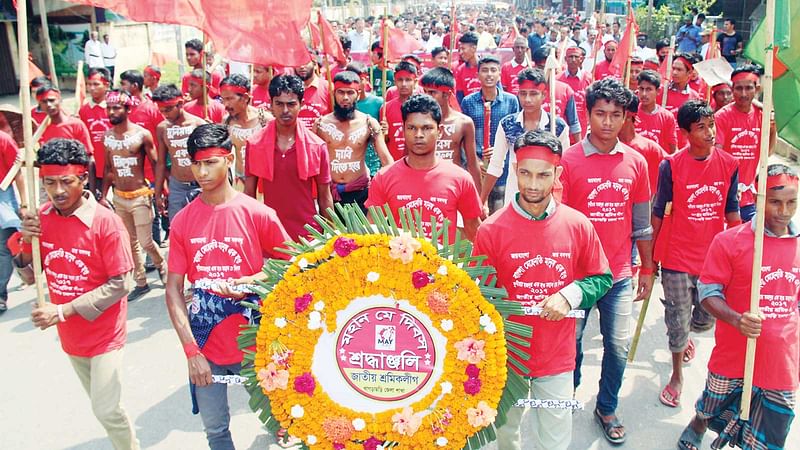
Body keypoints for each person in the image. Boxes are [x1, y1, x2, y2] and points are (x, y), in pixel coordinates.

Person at [475, 129, 612, 450]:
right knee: (504, 436)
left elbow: (602, 277)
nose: (533, 185)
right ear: (514, 170)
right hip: (506, 358)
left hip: (557, 359)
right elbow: (478, 292)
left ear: (557, 174)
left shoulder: (577, 225)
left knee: (554, 439)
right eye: (525, 173)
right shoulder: (491, 230)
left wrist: (570, 295)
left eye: (543, 175)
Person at [165, 124, 290, 450]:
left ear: (230, 159)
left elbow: (292, 266)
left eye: (211, 162)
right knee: (216, 431)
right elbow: (174, 290)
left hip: (256, 345)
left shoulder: (258, 214)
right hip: (206, 346)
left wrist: (253, 281)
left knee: (282, 422)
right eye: (196, 163)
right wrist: (192, 352)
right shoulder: (182, 221)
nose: (202, 172)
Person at [19, 138, 139, 449]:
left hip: (105, 334)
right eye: (49, 183)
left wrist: (61, 311)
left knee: (107, 409)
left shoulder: (106, 223)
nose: (57, 191)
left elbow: (121, 284)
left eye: (66, 181)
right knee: (102, 407)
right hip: (71, 336)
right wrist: (24, 239)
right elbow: (29, 274)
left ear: (83, 178)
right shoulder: (41, 218)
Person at [676, 164, 799, 450]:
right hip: (734, 354)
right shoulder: (730, 241)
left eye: (792, 202)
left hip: (782, 362)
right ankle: (699, 422)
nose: (784, 211)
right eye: (776, 202)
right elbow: (707, 292)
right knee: (714, 403)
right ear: (759, 199)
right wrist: (735, 318)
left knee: (769, 433)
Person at [561, 78, 655, 445]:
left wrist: (647, 268)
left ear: (625, 118)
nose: (607, 122)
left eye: (616, 115)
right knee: (572, 344)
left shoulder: (636, 162)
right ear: (588, 114)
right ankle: (566, 396)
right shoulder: (567, 160)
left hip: (618, 273)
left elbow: (642, 222)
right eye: (600, 113)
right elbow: (559, 222)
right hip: (578, 277)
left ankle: (607, 406)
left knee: (617, 346)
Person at [651, 100, 741, 409]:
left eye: (711, 124)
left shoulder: (729, 164)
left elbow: (732, 211)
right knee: (677, 318)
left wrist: (739, 253)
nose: (710, 132)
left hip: (714, 259)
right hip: (676, 256)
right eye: (701, 127)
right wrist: (650, 260)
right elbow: (658, 213)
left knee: (703, 321)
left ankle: (689, 332)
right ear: (685, 133)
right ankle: (676, 375)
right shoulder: (670, 166)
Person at [365, 94, 482, 240]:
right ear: (403, 130)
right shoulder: (384, 177)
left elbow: (474, 230)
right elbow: (371, 231)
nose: (418, 135)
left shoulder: (460, 178)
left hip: (445, 262)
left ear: (439, 131)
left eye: (426, 128)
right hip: (398, 261)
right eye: (412, 128)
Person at [245, 74, 333, 240]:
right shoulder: (255, 144)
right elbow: (249, 194)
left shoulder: (317, 146)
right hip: (269, 235)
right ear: (270, 105)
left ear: (302, 104)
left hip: (309, 238)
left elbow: (325, 197)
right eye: (279, 104)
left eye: (291, 104)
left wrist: (330, 239)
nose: (285, 110)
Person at [100, 90, 165, 301]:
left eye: (116, 107)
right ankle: (141, 282)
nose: (111, 111)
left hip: (140, 196)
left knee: (146, 242)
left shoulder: (142, 135)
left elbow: (156, 164)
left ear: (128, 109)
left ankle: (161, 265)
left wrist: (159, 192)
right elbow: (108, 168)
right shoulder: (107, 137)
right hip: (119, 196)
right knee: (130, 242)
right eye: (109, 108)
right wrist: (103, 196)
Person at [483, 68, 569, 206]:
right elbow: (495, 165)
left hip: (547, 200)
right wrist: (482, 200)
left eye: (533, 94)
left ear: (544, 95)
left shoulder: (557, 127)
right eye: (523, 94)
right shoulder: (507, 124)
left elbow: (563, 168)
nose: (527, 99)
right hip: (514, 198)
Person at [316, 71, 392, 213]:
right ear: (334, 93)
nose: (345, 97)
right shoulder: (321, 124)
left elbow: (386, 160)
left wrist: (383, 190)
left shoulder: (369, 123)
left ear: (358, 94)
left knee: (362, 235)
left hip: (361, 192)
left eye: (350, 93)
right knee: (333, 234)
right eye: (341, 92)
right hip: (329, 195)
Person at [715, 64, 776, 222]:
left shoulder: (762, 116)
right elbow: (718, 156)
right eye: (739, 88)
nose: (743, 94)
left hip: (748, 195)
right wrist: (731, 187)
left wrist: (772, 129)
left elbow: (767, 153)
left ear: (757, 89)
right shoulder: (722, 116)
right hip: (725, 193)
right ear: (732, 89)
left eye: (748, 88)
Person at [461, 55, 520, 214]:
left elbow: (515, 136)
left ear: (499, 74)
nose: (489, 74)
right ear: (477, 74)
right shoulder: (468, 102)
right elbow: (464, 138)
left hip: (503, 169)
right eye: (485, 70)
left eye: (493, 70)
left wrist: (499, 152)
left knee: (500, 213)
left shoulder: (511, 101)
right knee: (477, 212)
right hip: (478, 168)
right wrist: (475, 161)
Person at [419, 67, 482, 190]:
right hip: (425, 185)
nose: (427, 97)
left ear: (447, 94)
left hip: (453, 186)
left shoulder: (464, 123)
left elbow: (473, 164)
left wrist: (480, 201)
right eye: (425, 91)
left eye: (432, 93)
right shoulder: (419, 122)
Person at [152, 84, 206, 222]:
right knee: (177, 225)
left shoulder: (199, 125)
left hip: (201, 183)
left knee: (202, 224)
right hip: (177, 186)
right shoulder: (162, 128)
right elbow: (161, 163)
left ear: (180, 103)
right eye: (162, 111)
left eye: (169, 109)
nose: (166, 115)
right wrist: (158, 194)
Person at [37, 86, 96, 189]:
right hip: (50, 183)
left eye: (51, 100)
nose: (49, 105)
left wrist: (92, 188)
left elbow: (89, 158)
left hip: (73, 182)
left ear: (59, 100)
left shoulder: (76, 125)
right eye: (44, 102)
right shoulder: (40, 130)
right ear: (40, 105)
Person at [219, 74, 271, 186]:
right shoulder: (226, 122)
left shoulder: (265, 120)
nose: (225, 105)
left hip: (263, 181)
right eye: (223, 99)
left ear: (246, 98)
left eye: (229, 99)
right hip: (240, 181)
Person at [531, 47, 582, 144]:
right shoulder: (528, 91)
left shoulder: (565, 90)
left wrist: (579, 149)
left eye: (548, 68)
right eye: (541, 68)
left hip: (558, 144)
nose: (545, 71)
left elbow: (574, 123)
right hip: (534, 144)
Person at [619, 95, 666, 198]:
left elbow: (673, 167)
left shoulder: (650, 148)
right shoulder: (604, 148)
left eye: (615, 113)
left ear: (628, 115)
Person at [0, 130, 26, 313]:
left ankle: (0, 295)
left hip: (2, 195)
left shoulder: (3, 139)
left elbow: (17, 172)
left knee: (4, 247)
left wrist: (24, 203)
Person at [79, 68, 112, 197]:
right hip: (95, 168)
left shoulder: (114, 108)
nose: (91, 88)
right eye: (89, 84)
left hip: (115, 166)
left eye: (96, 84)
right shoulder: (84, 111)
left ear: (106, 85)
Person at [380, 61, 419, 160]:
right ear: (394, 81)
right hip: (394, 163)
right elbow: (384, 141)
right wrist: (384, 133)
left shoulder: (424, 107)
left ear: (415, 82)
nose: (404, 84)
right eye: (400, 80)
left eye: (408, 80)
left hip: (418, 161)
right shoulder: (386, 108)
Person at [635, 70, 678, 154]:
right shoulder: (631, 114)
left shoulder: (667, 117)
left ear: (658, 91)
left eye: (649, 89)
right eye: (641, 89)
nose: (644, 94)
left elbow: (673, 148)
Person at [664, 53, 702, 149]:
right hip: (663, 146)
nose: (675, 72)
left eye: (679, 70)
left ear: (689, 73)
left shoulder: (694, 97)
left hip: (685, 148)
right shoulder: (661, 92)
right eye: (674, 68)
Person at [557, 46, 592, 139]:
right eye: (570, 57)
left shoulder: (589, 78)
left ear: (581, 59)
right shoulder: (558, 79)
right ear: (565, 59)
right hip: (563, 125)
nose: (573, 60)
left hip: (582, 124)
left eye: (576, 57)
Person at [295, 56, 332, 130]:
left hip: (321, 139)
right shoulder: (290, 89)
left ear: (315, 65)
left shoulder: (329, 87)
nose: (301, 67)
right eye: (298, 63)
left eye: (305, 63)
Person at [455, 32, 481, 102]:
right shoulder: (460, 70)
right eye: (460, 49)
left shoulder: (487, 67)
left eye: (463, 49)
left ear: (473, 48)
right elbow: (459, 97)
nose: (460, 52)